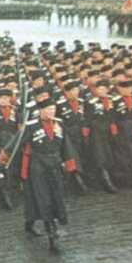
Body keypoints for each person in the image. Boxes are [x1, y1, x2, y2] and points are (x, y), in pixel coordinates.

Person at [20, 98, 78, 251]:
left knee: (56, 196)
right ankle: (51, 233)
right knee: (43, 198)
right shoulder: (31, 126)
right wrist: (4, 159)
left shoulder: (59, 124)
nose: (51, 112)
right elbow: (16, 144)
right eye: (48, 110)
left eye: (53, 109)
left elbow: (66, 144)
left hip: (55, 165)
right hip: (37, 166)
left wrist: (69, 162)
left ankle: (30, 222)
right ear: (40, 111)